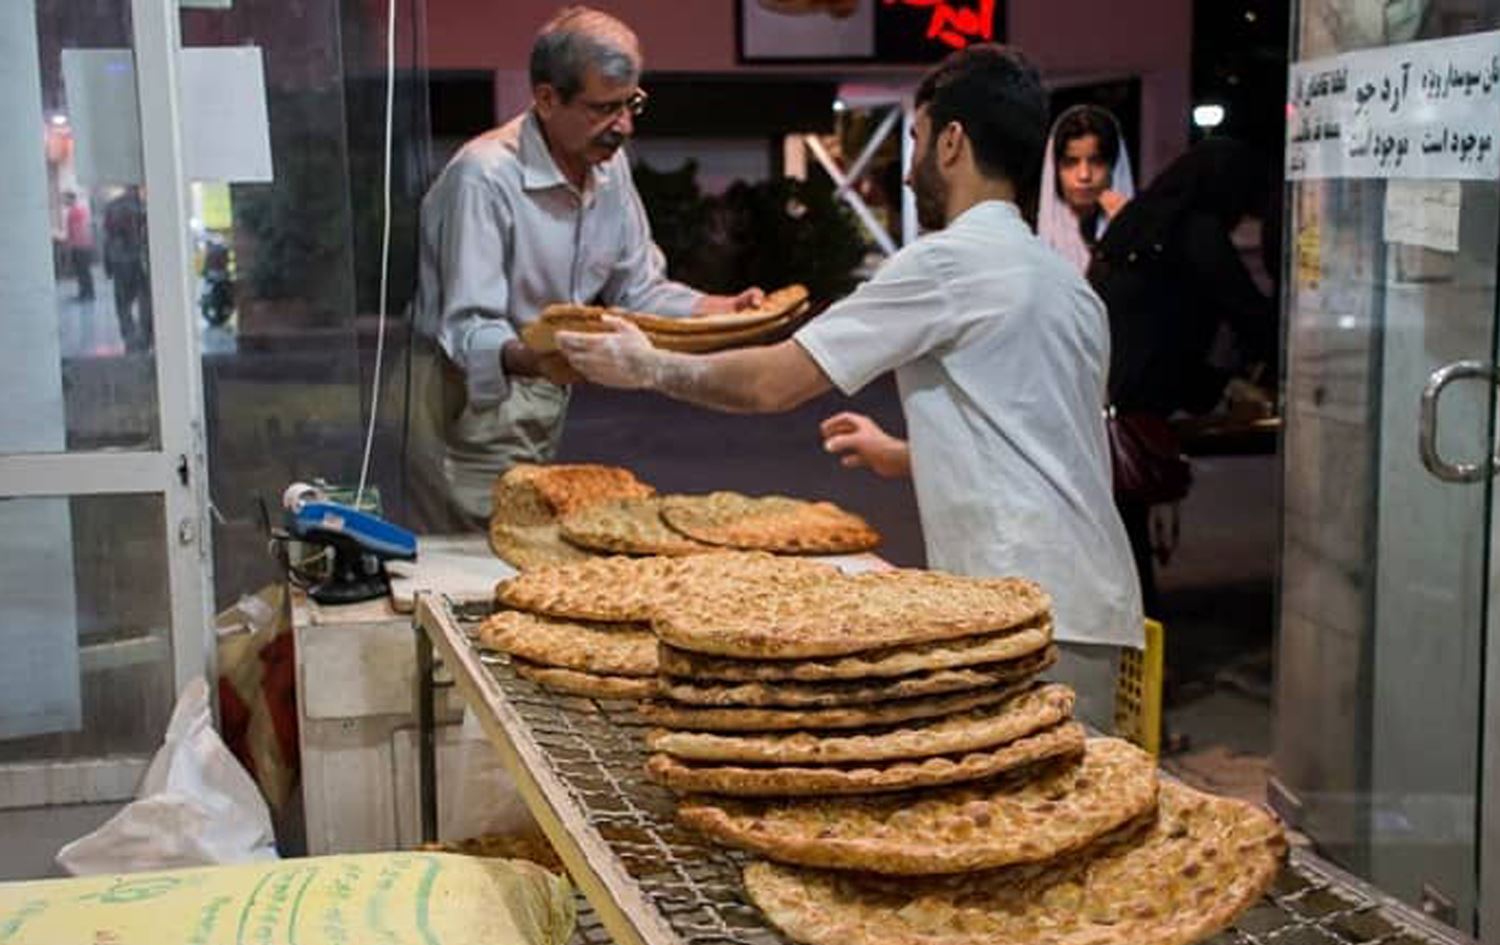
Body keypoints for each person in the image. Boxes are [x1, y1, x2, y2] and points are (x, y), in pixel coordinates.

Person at [557, 43, 1143, 728]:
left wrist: (648, 364)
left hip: (1020, 607)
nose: (909, 169)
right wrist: (902, 453)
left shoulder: (948, 264)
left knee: (1013, 816)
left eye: (918, 141)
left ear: (952, 142)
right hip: (1096, 606)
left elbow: (774, 382)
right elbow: (1043, 435)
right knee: (1076, 812)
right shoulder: (1066, 285)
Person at [411, 6, 763, 531]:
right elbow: (467, 330)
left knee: (528, 550)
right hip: (467, 401)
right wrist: (549, 357)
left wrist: (720, 310)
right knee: (478, 563)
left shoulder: (607, 165)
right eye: (604, 109)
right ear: (547, 99)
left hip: (543, 386)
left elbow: (637, 287)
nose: (622, 126)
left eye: (631, 104)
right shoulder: (484, 177)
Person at [1086, 139, 1276, 613]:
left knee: (1120, 545)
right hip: (1136, 403)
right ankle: (1139, 651)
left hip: (1099, 393)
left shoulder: (1136, 221)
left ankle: (1132, 646)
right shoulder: (1197, 231)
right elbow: (1248, 312)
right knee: (1128, 549)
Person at [1037, 104, 1134, 274]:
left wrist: (1127, 230)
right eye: (1071, 163)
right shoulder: (1031, 237)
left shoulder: (1142, 234)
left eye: (1096, 162)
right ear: (1054, 169)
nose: (1084, 175)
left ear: (1114, 167)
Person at [104, 187, 151, 352]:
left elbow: (108, 238)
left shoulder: (112, 206)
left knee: (123, 303)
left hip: (120, 261)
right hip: (140, 260)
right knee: (145, 299)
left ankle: (129, 338)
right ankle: (145, 337)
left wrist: (107, 265)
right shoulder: (144, 207)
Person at [63, 192, 95, 301]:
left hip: (80, 246)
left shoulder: (75, 211)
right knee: (84, 271)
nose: (64, 201)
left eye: (65, 199)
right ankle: (87, 293)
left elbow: (78, 230)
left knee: (82, 271)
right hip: (83, 245)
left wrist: (71, 245)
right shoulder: (79, 209)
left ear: (71, 199)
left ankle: (86, 294)